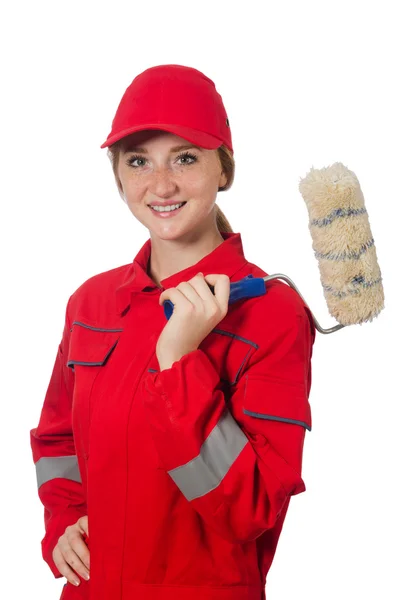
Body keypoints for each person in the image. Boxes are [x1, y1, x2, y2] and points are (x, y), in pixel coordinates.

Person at [30, 64, 316, 600]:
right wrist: (64, 523)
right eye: (139, 161)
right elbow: (56, 441)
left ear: (223, 170)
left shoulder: (272, 313)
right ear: (118, 175)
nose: (161, 185)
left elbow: (251, 507)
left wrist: (180, 361)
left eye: (185, 158)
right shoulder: (90, 303)